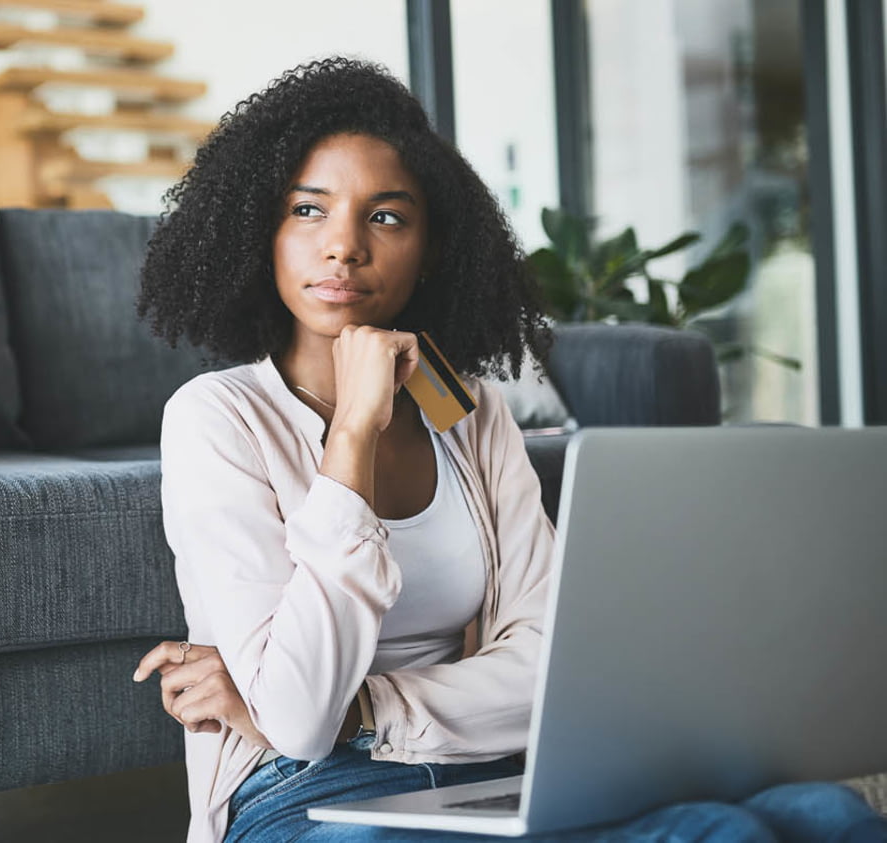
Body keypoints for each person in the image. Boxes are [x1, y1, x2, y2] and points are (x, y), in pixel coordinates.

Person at [130, 57, 887, 843]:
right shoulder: (216, 418)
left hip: (484, 762)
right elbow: (296, 720)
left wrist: (368, 705)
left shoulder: (472, 413)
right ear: (263, 230)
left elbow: (547, 666)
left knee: (825, 813)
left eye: (386, 216)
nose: (345, 246)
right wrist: (352, 432)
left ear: (431, 248)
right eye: (309, 210)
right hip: (302, 794)